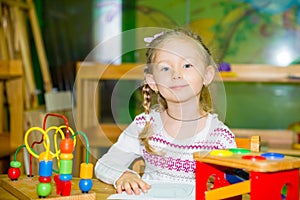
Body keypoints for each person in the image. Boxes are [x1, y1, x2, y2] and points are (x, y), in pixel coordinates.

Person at [94, 28, 236, 195]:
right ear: (153, 82)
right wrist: (123, 175)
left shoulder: (219, 136)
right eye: (165, 68)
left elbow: (233, 185)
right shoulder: (145, 125)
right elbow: (105, 164)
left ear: (207, 75)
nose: (176, 74)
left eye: (187, 65)